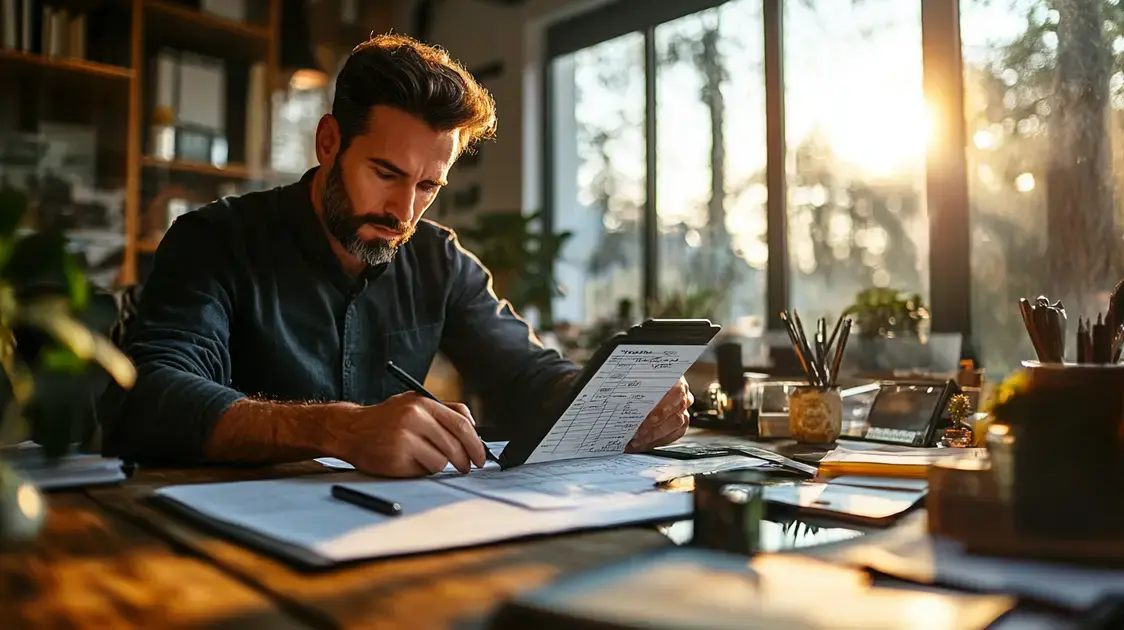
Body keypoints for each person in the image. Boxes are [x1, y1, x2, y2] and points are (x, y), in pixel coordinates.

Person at [99, 34, 694, 478]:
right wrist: (337, 427)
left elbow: (527, 375)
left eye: (428, 186)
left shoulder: (438, 259)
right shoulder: (216, 239)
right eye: (385, 173)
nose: (403, 211)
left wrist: (618, 404)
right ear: (329, 143)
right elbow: (148, 396)